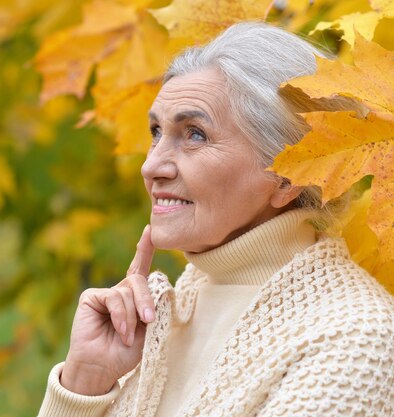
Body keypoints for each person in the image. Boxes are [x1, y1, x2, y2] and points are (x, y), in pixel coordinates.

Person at [38, 22, 394, 417]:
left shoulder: (352, 339)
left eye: (194, 135)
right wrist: (83, 384)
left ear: (290, 174)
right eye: (156, 132)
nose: (151, 165)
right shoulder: (167, 316)